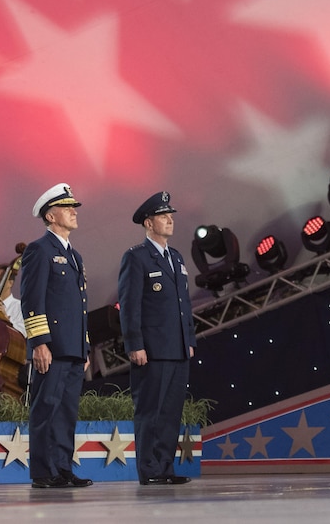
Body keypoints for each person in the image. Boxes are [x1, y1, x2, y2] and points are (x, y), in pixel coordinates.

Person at [118, 191, 195, 485]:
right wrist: (134, 344)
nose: (170, 220)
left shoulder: (175, 257)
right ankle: (149, 470)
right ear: (149, 223)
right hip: (151, 349)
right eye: (164, 216)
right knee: (151, 410)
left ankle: (165, 468)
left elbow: (182, 304)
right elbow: (130, 305)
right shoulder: (136, 257)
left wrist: (189, 339)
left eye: (170, 215)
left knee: (171, 412)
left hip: (177, 348)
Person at [21, 183, 92, 489]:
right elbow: (32, 299)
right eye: (67, 208)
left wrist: (85, 346)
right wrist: (39, 343)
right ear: (51, 216)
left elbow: (80, 305)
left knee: (66, 412)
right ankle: (43, 471)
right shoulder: (40, 250)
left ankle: (63, 468)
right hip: (52, 346)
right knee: (46, 409)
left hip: (73, 347)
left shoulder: (73, 255)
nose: (74, 212)